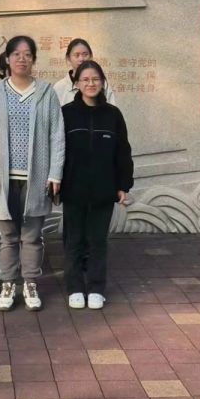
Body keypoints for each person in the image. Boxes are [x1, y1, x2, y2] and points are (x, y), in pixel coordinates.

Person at [0, 36, 65, 312]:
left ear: (33, 59)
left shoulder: (46, 92)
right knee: (7, 234)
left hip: (37, 177)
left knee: (32, 235)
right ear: (7, 59)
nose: (22, 59)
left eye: (27, 54)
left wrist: (55, 174)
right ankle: (7, 283)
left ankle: (30, 282)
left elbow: (57, 135)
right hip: (3, 179)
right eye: (16, 54)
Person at [60, 60, 133, 311]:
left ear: (102, 82)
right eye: (85, 79)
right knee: (74, 240)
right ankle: (74, 288)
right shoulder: (66, 113)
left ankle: (96, 289)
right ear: (77, 83)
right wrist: (55, 183)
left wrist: (123, 184)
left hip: (104, 188)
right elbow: (58, 151)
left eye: (95, 79)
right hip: (73, 188)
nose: (90, 84)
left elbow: (123, 151)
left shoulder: (113, 114)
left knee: (98, 241)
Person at [53, 38, 117, 106]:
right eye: (76, 55)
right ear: (68, 58)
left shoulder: (102, 84)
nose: (81, 59)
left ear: (91, 57)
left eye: (85, 54)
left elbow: (112, 109)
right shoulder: (59, 87)